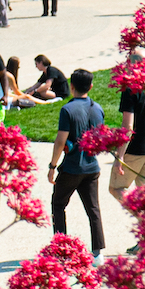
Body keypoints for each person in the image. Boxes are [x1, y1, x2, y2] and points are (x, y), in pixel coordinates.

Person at [46, 67, 106, 256]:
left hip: (72, 168)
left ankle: (61, 248)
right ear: (91, 86)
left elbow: (60, 141)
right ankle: (98, 252)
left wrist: (52, 166)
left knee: (58, 204)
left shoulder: (67, 109)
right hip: (92, 167)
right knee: (93, 209)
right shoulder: (98, 109)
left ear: (71, 87)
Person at [109, 52, 145, 206]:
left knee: (116, 188)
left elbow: (128, 126)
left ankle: (143, 218)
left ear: (131, 64)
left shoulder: (130, 89)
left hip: (134, 149)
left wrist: (120, 156)